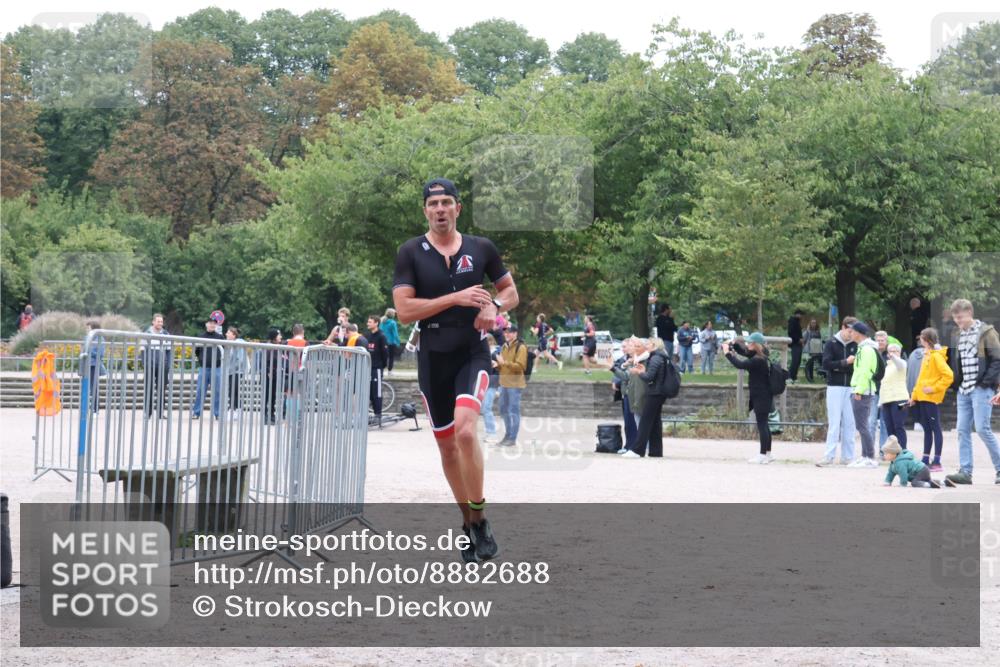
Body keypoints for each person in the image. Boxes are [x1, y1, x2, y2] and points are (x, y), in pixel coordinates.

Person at [392, 177, 518, 563]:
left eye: (447, 202)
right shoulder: (410, 252)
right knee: (446, 446)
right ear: (425, 210)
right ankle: (468, 521)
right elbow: (405, 310)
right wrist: (457, 298)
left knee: (466, 431)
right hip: (433, 357)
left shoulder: (482, 248)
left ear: (458, 208)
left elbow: (510, 292)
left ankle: (479, 517)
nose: (441, 209)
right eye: (434, 204)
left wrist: (493, 306)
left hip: (471, 351)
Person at [943, 299, 1000, 487]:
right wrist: (956, 383)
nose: (958, 321)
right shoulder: (957, 334)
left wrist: (986, 383)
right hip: (964, 389)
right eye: (955, 318)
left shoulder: (987, 332)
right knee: (962, 430)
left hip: (981, 388)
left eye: (960, 317)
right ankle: (965, 472)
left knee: (982, 429)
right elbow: (955, 360)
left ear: (969, 312)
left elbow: (997, 359)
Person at [722, 333, 774, 464]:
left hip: (761, 395)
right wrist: (733, 345)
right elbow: (746, 353)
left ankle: (762, 455)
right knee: (765, 423)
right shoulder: (762, 355)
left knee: (762, 424)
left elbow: (740, 364)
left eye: (750, 343)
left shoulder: (757, 360)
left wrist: (727, 353)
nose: (747, 345)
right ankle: (768, 454)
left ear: (756, 345)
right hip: (765, 394)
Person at [909, 327, 953, 472]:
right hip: (922, 398)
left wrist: (933, 388)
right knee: (927, 429)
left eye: (921, 337)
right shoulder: (927, 355)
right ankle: (925, 459)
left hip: (931, 398)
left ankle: (937, 461)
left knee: (935, 428)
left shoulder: (936, 356)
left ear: (926, 340)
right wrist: (914, 396)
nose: (920, 340)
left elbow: (948, 375)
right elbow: (920, 379)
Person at [816, 317, 859, 467]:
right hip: (835, 386)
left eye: (854, 332)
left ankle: (848, 456)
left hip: (851, 386)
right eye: (849, 331)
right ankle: (829, 456)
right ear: (843, 327)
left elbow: (857, 368)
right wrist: (844, 363)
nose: (851, 334)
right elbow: (826, 364)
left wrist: (840, 366)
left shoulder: (856, 344)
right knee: (834, 422)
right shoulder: (831, 343)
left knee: (850, 423)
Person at [621, 337, 670, 458]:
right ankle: (655, 451)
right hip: (659, 393)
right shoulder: (660, 356)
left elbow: (649, 377)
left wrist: (640, 372)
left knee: (645, 422)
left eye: (648, 343)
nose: (646, 346)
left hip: (654, 393)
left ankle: (638, 450)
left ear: (654, 345)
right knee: (655, 423)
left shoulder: (656, 358)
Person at [847, 322, 880, 468]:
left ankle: (870, 457)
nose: (850, 333)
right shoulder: (863, 348)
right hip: (860, 389)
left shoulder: (866, 350)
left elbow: (866, 372)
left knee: (863, 426)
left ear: (859, 333)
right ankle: (864, 455)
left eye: (852, 331)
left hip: (863, 391)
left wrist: (859, 390)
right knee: (862, 425)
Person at [606, 337, 643, 453]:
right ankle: (628, 445)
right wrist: (615, 380)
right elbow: (619, 371)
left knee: (632, 421)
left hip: (631, 393)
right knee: (628, 421)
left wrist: (612, 368)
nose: (624, 349)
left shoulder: (636, 359)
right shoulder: (625, 359)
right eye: (623, 346)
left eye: (626, 346)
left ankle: (633, 446)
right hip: (625, 393)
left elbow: (626, 375)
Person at [496, 326, 527, 447]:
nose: (506, 334)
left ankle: (512, 438)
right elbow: (503, 366)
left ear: (515, 334)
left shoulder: (521, 347)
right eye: (505, 333)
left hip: (515, 384)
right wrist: (497, 364)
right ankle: (508, 435)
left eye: (509, 332)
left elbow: (520, 366)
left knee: (513, 411)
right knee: (503, 410)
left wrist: (504, 363)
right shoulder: (504, 346)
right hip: (504, 383)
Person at [192, 315, 225, 420]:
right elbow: (197, 351)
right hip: (204, 367)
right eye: (210, 323)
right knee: (200, 390)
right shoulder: (201, 337)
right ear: (206, 324)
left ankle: (217, 413)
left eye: (214, 323)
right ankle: (196, 412)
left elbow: (224, 350)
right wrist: (202, 360)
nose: (212, 325)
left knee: (218, 391)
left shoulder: (220, 337)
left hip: (217, 367)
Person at [879, 343, 909, 450]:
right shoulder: (886, 367)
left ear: (899, 353)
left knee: (899, 426)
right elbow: (883, 384)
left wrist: (895, 357)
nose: (892, 353)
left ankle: (903, 451)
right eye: (890, 351)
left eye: (895, 351)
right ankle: (894, 452)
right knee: (889, 428)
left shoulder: (902, 363)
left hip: (900, 399)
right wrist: (880, 402)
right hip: (886, 400)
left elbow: (899, 364)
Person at [142, 313, 172, 419]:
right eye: (158, 321)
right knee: (148, 389)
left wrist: (168, 365)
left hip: (162, 366)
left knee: (162, 390)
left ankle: (160, 413)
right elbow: (143, 351)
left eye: (161, 321)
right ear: (153, 322)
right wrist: (145, 364)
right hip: (150, 365)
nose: (160, 323)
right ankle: (148, 412)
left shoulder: (166, 334)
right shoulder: (146, 333)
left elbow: (168, 352)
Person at [366, 315, 390, 426]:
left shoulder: (381, 336)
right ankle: (370, 415)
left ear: (376, 323)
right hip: (369, 368)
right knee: (370, 392)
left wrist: (382, 366)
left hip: (377, 369)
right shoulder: (368, 335)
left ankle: (378, 415)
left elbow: (385, 354)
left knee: (377, 393)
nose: (368, 323)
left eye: (370, 322)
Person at [261, 327, 286, 425]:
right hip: (269, 375)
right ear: (274, 337)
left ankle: (271, 414)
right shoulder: (269, 347)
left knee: (273, 396)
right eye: (279, 335)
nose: (281, 337)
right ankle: (266, 415)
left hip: (276, 374)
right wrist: (268, 371)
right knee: (268, 395)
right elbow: (267, 361)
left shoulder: (279, 347)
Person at [82, 320, 106, 414]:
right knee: (86, 387)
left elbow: (100, 353)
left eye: (89, 327)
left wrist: (89, 352)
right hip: (86, 364)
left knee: (93, 387)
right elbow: (84, 349)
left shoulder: (100, 339)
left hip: (94, 365)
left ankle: (95, 409)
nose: (87, 329)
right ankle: (87, 408)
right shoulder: (87, 338)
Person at [481, 334, 501, 444]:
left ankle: (492, 433)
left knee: (486, 408)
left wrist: (499, 389)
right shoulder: (487, 354)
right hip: (486, 383)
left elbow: (502, 370)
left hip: (492, 384)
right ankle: (491, 429)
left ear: (491, 342)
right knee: (484, 408)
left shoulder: (494, 354)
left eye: (488, 342)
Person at [224, 326, 248, 419]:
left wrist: (236, 367)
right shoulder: (229, 344)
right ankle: (236, 409)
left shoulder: (238, 344)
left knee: (234, 390)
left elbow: (240, 358)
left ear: (233, 335)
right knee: (233, 390)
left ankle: (234, 409)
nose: (226, 334)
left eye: (228, 333)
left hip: (237, 371)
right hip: (232, 371)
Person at [379, 308, 401, 374]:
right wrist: (398, 342)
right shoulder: (392, 322)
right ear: (392, 314)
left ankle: (381, 370)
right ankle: (390, 371)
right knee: (391, 357)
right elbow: (395, 334)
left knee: (382, 356)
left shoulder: (382, 321)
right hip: (391, 342)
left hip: (382, 342)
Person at [787, 310, 804, 383]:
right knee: (795, 360)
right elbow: (791, 333)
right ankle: (790, 376)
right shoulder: (792, 321)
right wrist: (798, 340)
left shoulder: (797, 322)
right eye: (800, 315)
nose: (801, 317)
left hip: (799, 344)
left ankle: (794, 376)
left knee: (798, 361)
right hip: (795, 343)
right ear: (797, 314)